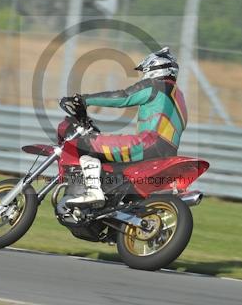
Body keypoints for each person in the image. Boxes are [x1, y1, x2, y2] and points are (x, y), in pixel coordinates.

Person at [64, 47, 188, 207]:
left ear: (155, 68)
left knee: (86, 144)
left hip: (147, 144)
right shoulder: (180, 97)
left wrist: (84, 99)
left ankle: (93, 191)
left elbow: (123, 97)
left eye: (146, 71)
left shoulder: (155, 85)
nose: (145, 75)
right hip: (168, 153)